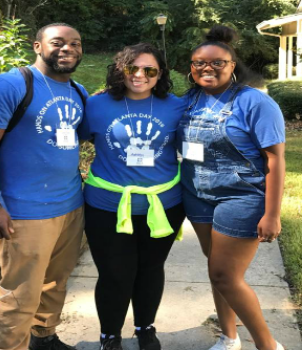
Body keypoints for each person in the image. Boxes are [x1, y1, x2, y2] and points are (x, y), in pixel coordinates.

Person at [0, 23, 88, 350]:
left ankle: (44, 338)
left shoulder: (77, 91)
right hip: (24, 212)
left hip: (70, 207)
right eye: (58, 42)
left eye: (75, 44)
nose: (68, 49)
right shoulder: (10, 85)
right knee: (20, 295)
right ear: (37, 46)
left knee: (54, 284)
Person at [177, 25, 285, 350]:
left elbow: (276, 160)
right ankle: (229, 336)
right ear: (191, 67)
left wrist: (272, 214)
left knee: (226, 276)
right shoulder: (187, 100)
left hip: (241, 196)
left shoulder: (254, 103)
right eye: (199, 63)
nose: (207, 68)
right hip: (197, 194)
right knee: (216, 270)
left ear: (232, 65)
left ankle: (268, 345)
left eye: (217, 63)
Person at [78, 43, 186, 350]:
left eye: (149, 70)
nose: (140, 75)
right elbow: (77, 137)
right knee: (114, 274)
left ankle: (145, 328)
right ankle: (109, 335)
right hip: (106, 207)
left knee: (151, 270)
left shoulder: (175, 107)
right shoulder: (96, 105)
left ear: (160, 73)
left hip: (163, 206)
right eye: (132, 68)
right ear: (120, 70)